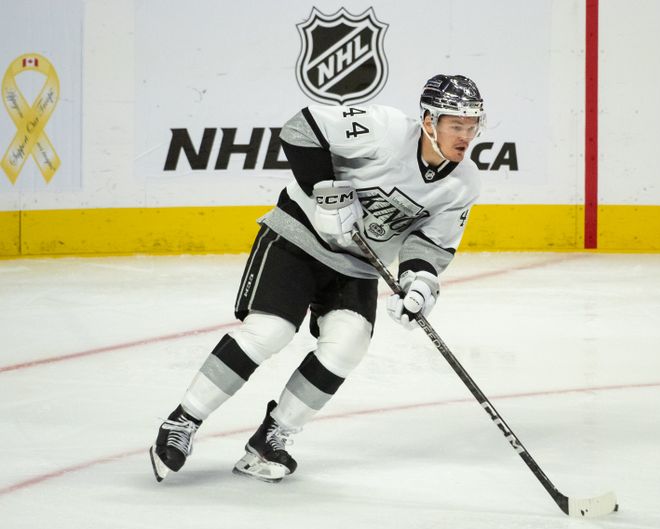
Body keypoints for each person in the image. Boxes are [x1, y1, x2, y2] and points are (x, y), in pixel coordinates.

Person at [149, 74, 487, 483]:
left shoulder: (463, 184)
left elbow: (430, 245)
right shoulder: (384, 129)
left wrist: (418, 283)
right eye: (456, 125)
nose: (465, 136)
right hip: (299, 238)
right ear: (429, 121)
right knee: (269, 331)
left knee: (347, 344)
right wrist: (326, 191)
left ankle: (271, 439)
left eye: (472, 126)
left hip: (358, 263)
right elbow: (300, 129)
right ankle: (182, 422)